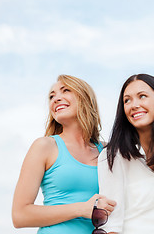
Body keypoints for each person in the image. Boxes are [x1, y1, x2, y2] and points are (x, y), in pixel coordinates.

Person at [12, 75, 116, 233]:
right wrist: (82, 209)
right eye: (51, 96)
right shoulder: (45, 146)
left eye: (65, 90)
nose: (55, 99)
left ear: (85, 98)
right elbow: (20, 215)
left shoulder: (108, 151)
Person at [97, 74, 154, 234]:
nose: (134, 105)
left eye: (142, 96)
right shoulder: (113, 156)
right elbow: (110, 226)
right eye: (127, 100)